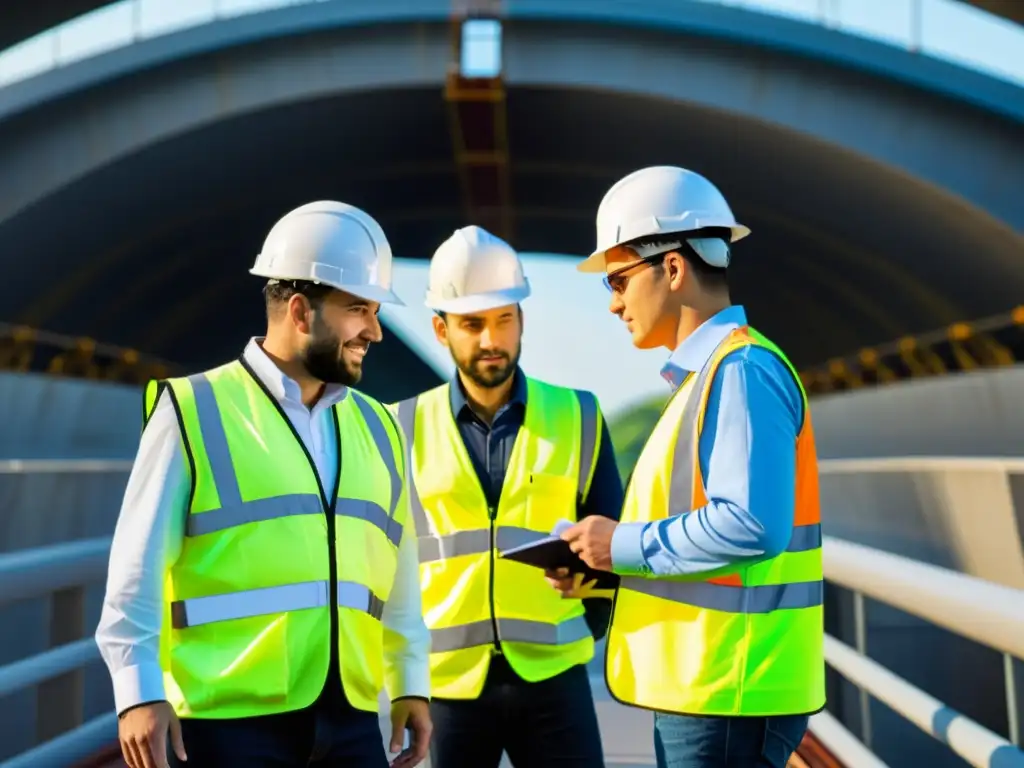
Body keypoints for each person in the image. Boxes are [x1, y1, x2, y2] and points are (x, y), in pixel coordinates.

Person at [95, 201, 433, 768]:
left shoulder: (379, 427)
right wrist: (139, 694)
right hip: (228, 725)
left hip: (349, 719)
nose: (374, 331)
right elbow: (136, 567)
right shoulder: (193, 409)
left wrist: (411, 682)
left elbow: (397, 573)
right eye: (358, 310)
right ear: (301, 311)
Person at [549, 166, 825, 768]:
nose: (614, 302)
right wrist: (603, 570)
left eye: (618, 280)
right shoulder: (710, 380)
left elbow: (751, 525)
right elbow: (710, 552)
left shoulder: (742, 372)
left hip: (729, 692)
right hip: (713, 688)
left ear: (672, 269)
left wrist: (619, 544)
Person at [389, 225, 624, 768]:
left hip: (555, 678)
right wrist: (402, 676)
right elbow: (383, 559)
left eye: (503, 320)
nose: (491, 339)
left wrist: (591, 608)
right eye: (472, 324)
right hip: (448, 686)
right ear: (441, 330)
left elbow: (614, 537)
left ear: (522, 322)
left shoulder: (579, 415)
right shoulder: (400, 426)